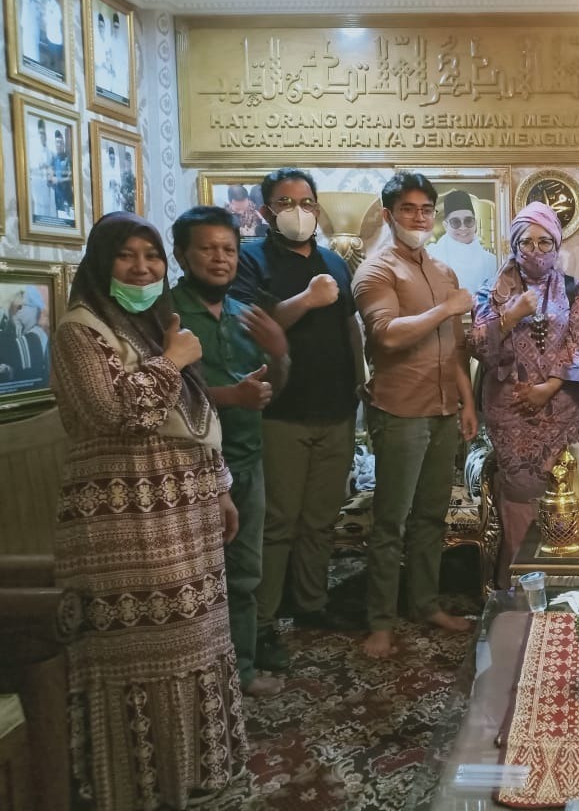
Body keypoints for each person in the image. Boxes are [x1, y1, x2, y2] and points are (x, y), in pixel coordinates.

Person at [50, 212, 247, 810]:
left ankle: (194, 772)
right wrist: (173, 360)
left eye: (151, 256)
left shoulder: (157, 325)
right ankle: (139, 784)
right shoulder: (78, 331)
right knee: (144, 653)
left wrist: (221, 488)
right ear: (100, 263)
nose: (142, 268)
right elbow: (116, 411)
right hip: (124, 522)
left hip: (187, 513)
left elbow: (195, 416)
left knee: (196, 640)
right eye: (126, 256)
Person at [231, 167, 363, 672]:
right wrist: (307, 299)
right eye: (286, 203)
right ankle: (263, 624)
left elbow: (350, 326)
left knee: (321, 519)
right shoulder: (251, 259)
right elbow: (251, 327)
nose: (298, 212)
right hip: (281, 411)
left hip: (336, 407)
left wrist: (360, 380)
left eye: (306, 202)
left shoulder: (334, 261)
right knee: (278, 522)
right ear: (267, 211)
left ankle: (311, 603)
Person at [353, 172, 478, 659]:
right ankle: (380, 622)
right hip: (400, 410)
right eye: (409, 208)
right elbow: (386, 335)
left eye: (427, 209)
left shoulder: (443, 271)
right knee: (392, 522)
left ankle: (425, 604)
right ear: (389, 215)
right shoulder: (375, 271)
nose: (419, 218)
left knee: (431, 516)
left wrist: (468, 404)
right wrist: (446, 309)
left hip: (445, 409)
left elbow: (457, 348)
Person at [173, 205, 291, 698]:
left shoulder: (247, 315)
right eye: (208, 249)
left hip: (245, 458)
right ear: (182, 255)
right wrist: (231, 396)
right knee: (190, 578)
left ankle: (239, 671)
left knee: (244, 573)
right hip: (185, 467)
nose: (220, 258)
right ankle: (194, 677)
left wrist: (280, 351)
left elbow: (272, 389)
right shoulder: (165, 314)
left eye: (229, 249)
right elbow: (163, 395)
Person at [472, 201, 579, 585]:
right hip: (513, 417)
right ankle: (520, 588)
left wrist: (548, 388)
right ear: (514, 245)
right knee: (521, 496)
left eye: (545, 243)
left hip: (564, 414)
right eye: (527, 242)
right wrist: (510, 315)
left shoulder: (578, 291)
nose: (536, 251)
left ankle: (567, 586)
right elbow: (479, 348)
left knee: (568, 492)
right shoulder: (490, 292)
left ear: (557, 246)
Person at [428, 190, 499, 294]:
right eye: (455, 222)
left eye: (468, 221)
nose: (463, 227)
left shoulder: (491, 261)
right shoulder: (432, 256)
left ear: (475, 223)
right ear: (445, 225)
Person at [17, 0, 42, 66]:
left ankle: (35, 64)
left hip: (34, 18)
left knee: (35, 42)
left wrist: (36, 1)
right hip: (27, 18)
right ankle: (29, 64)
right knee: (28, 43)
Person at [30, 119, 54, 219]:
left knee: (49, 215)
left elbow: (52, 170)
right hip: (37, 190)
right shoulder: (33, 150)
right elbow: (30, 169)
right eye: (40, 133)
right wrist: (40, 166)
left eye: (44, 133)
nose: (42, 136)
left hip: (48, 191)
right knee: (39, 214)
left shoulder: (50, 152)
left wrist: (50, 174)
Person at [40, 0, 64, 77]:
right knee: (51, 58)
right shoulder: (48, 4)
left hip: (56, 37)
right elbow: (45, 18)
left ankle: (58, 74)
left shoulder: (56, 5)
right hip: (50, 35)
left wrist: (49, 16)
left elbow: (58, 18)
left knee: (57, 60)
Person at [49, 129, 72, 218]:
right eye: (57, 142)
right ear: (55, 144)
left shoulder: (67, 159)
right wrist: (52, 179)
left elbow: (71, 178)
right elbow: (50, 179)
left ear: (63, 144)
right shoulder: (53, 159)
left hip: (68, 200)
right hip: (57, 201)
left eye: (61, 142)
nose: (59, 145)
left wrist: (58, 180)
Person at [102, 144, 121, 215]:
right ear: (108, 158)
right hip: (108, 196)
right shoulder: (105, 169)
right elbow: (102, 182)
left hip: (116, 197)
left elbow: (119, 182)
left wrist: (117, 186)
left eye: (113, 159)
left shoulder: (117, 169)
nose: (112, 161)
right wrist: (110, 183)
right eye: (111, 158)